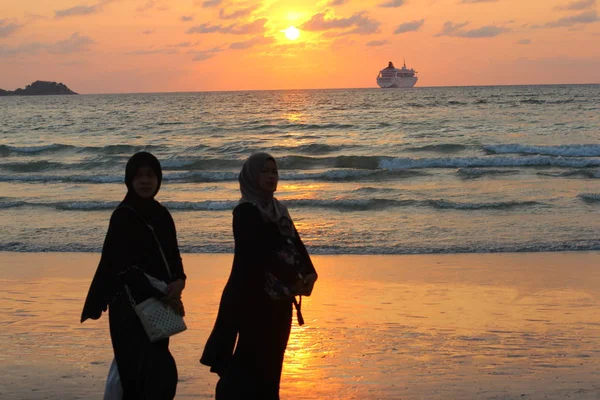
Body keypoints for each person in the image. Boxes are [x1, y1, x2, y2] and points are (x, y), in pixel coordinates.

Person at [200, 152, 318, 400]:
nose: (270, 176)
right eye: (264, 171)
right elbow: (259, 254)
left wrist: (310, 273)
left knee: (273, 362)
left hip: (281, 299)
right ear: (252, 176)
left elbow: (295, 243)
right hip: (253, 299)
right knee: (250, 360)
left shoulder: (279, 209)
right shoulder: (245, 212)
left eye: (274, 172)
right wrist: (292, 278)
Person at [81, 151, 186, 400]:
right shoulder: (123, 216)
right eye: (138, 175)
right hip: (128, 308)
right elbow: (122, 268)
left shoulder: (162, 215)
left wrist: (180, 281)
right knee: (135, 373)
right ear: (129, 179)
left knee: (159, 372)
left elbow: (173, 255)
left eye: (150, 175)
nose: (145, 181)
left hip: (160, 305)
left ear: (159, 179)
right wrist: (163, 293)